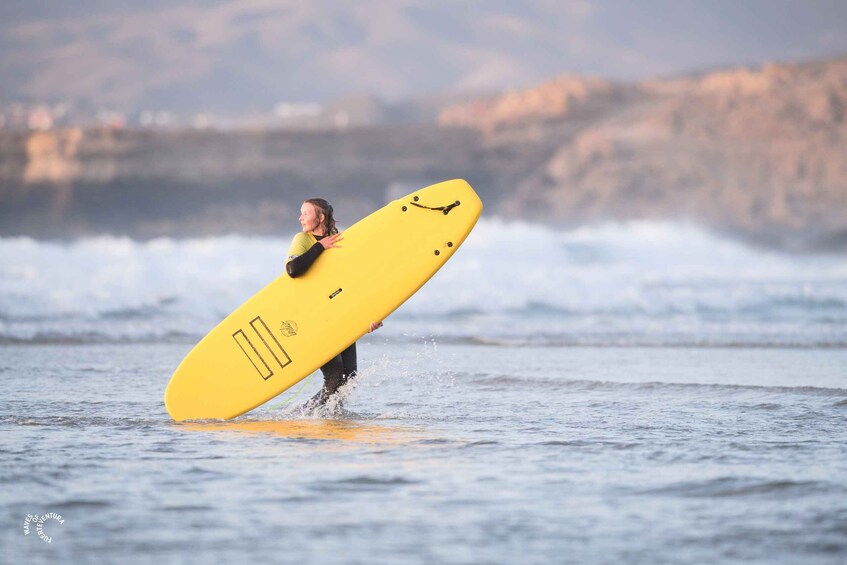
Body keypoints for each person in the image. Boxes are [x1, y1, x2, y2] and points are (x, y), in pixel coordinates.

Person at [286, 198, 381, 409]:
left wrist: (372, 315)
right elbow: (293, 269)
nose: (300, 217)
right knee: (335, 374)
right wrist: (320, 246)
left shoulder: (340, 241)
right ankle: (311, 415)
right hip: (313, 318)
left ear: (320, 217)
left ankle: (326, 417)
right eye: (301, 213)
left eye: (306, 214)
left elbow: (352, 284)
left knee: (349, 377)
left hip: (340, 316)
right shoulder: (303, 239)